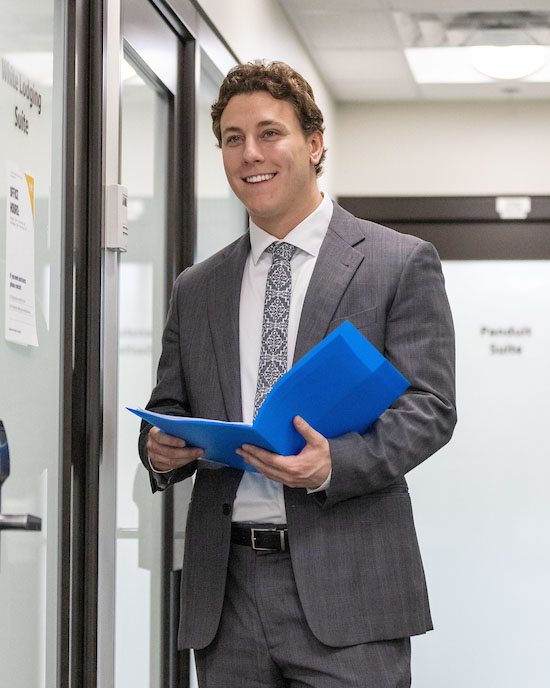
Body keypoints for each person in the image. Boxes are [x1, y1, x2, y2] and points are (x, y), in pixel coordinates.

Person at [139, 60, 456, 688]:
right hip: (225, 594)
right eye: (233, 139)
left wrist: (334, 462)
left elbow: (431, 405)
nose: (249, 153)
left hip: (350, 590)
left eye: (269, 133)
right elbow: (169, 403)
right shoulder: (197, 287)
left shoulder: (397, 263)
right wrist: (160, 448)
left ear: (313, 144)